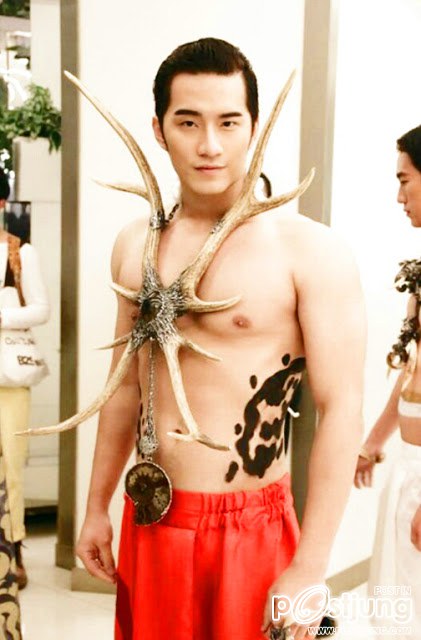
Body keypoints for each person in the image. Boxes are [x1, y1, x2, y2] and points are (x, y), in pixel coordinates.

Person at [76, 38, 366, 640]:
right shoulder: (136, 244)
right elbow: (124, 385)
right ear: (159, 130)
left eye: (228, 122)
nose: (209, 145)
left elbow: (341, 407)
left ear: (254, 127)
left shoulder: (309, 252)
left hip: (252, 526)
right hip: (151, 519)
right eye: (188, 122)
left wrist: (311, 565)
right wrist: (95, 505)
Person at [354, 125, 421, 639]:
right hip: (409, 463)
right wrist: (374, 441)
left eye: (405, 180)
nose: (399, 197)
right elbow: (412, 370)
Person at [0, 167, 49, 589]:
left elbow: (41, 309)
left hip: (7, 379)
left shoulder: (19, 252)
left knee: (10, 464)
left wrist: (1, 317)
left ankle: (13, 549)